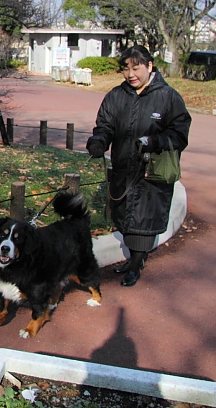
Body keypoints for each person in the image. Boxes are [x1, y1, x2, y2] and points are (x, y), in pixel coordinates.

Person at [86, 45, 191, 287]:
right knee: (124, 213)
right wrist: (99, 141)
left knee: (145, 217)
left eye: (136, 68)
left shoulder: (168, 97)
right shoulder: (116, 95)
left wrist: (156, 141)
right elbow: (105, 125)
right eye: (126, 69)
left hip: (152, 170)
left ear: (149, 66)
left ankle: (135, 264)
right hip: (123, 166)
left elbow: (179, 133)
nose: (131, 74)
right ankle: (135, 258)